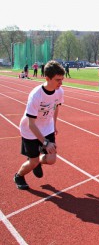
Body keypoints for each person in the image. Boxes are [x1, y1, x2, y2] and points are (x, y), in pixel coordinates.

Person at [13, 61, 65, 190]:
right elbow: (31, 124)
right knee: (33, 161)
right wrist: (45, 143)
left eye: (62, 79)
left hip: (47, 127)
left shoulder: (59, 91)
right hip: (30, 130)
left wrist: (54, 125)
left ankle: (36, 162)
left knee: (52, 159)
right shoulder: (36, 95)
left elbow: (56, 107)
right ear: (47, 78)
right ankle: (19, 176)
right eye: (58, 80)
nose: (61, 83)